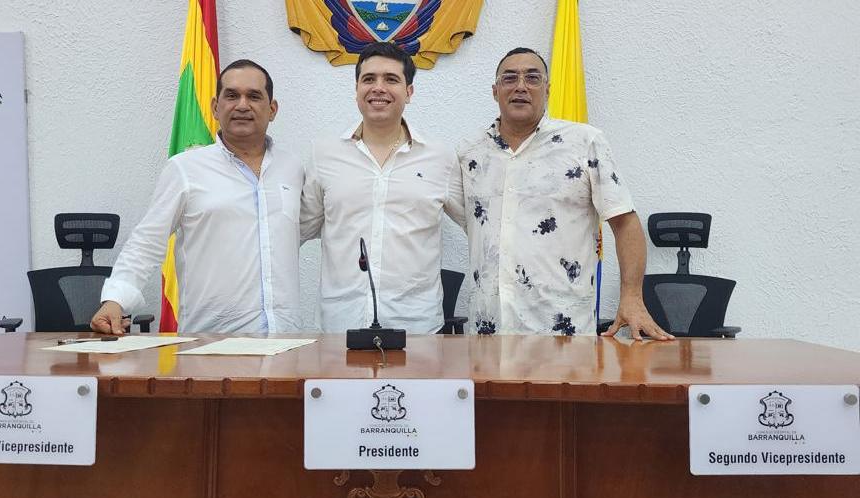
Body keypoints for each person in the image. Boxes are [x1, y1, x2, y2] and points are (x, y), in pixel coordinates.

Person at [457, 47, 673, 340]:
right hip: (487, 332)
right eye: (509, 78)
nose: (521, 86)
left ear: (547, 89)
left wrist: (632, 297)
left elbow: (625, 221)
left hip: (561, 334)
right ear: (495, 91)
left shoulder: (584, 142)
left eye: (532, 78)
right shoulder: (469, 155)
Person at [91, 60, 303, 334]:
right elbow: (146, 241)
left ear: (272, 109)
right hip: (210, 343)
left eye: (253, 96)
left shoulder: (293, 169)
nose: (241, 105)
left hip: (285, 341)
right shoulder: (185, 169)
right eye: (231, 95)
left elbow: (302, 230)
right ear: (215, 107)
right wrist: (116, 299)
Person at [300, 42, 464, 334]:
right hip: (340, 328)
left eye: (391, 79)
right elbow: (298, 229)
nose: (378, 88)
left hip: (417, 329)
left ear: (409, 92)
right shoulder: (322, 154)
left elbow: (478, 225)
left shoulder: (441, 158)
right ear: (356, 90)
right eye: (369, 79)